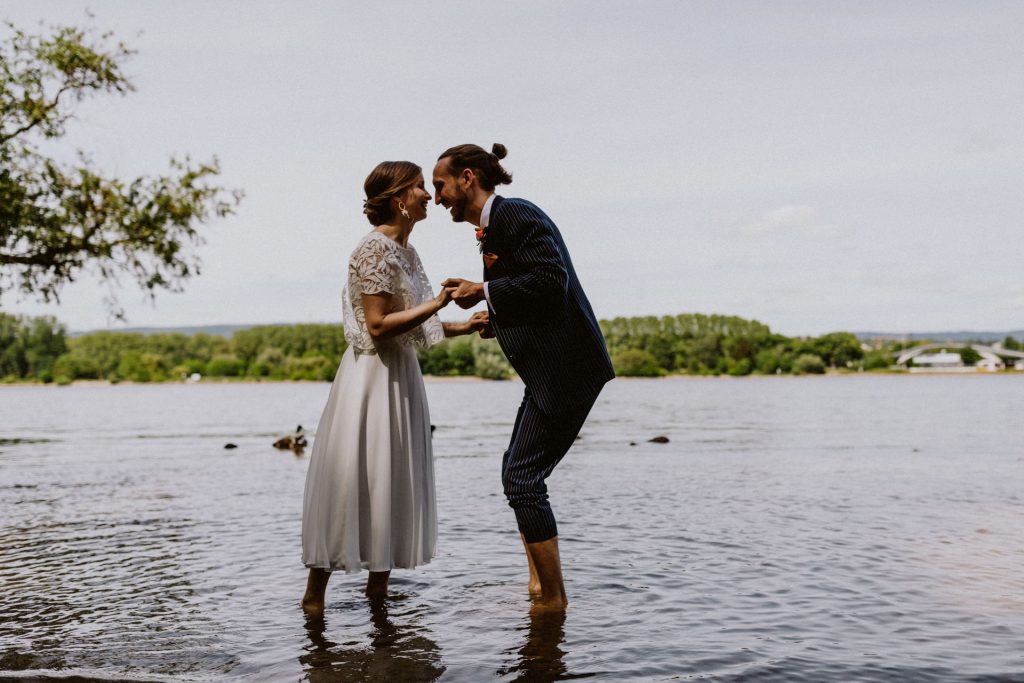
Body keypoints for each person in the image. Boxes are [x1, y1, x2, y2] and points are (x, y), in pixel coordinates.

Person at [432, 143, 615, 611]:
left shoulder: (513, 214)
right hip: (551, 372)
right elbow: (539, 297)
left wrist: (484, 290)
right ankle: (538, 589)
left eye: (440, 186)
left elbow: (552, 281)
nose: (437, 198)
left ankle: (552, 600)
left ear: (467, 178)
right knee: (518, 473)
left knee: (522, 478)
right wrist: (497, 318)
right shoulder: (497, 225)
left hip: (567, 369)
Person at [301, 160, 482, 617]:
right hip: (371, 379)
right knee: (356, 481)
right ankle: (314, 600)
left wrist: (464, 325)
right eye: (420, 187)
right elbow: (379, 326)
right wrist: (438, 302)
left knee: (390, 482)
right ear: (399, 198)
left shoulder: (408, 252)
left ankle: (379, 604)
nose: (429, 195)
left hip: (401, 376)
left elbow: (412, 326)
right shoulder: (373, 250)